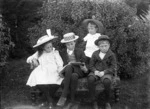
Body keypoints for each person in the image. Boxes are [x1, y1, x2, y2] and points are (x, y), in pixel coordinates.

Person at [26, 29, 64, 109]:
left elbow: (60, 63)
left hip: (53, 70)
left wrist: (59, 69)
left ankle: (47, 102)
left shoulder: (55, 52)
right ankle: (50, 102)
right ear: (43, 48)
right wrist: (32, 60)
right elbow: (29, 58)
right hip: (42, 70)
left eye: (51, 46)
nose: (50, 48)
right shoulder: (39, 53)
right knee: (40, 80)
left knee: (56, 82)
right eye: (47, 47)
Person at [56, 32, 89, 108]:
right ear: (65, 45)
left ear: (75, 42)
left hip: (79, 70)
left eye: (71, 44)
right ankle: (72, 101)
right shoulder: (63, 53)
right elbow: (61, 63)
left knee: (70, 66)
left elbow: (84, 61)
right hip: (69, 73)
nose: (70, 46)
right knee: (73, 76)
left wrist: (82, 64)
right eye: (68, 44)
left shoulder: (80, 51)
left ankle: (63, 95)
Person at [88, 35, 117, 109]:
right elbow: (91, 65)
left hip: (106, 73)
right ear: (98, 46)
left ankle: (107, 101)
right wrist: (95, 71)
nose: (104, 48)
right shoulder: (95, 54)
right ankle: (93, 101)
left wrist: (104, 72)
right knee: (90, 79)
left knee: (107, 81)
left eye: (105, 46)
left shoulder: (111, 55)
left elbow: (113, 67)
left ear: (109, 45)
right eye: (101, 46)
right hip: (96, 72)